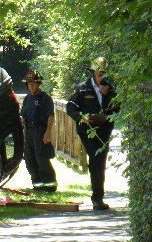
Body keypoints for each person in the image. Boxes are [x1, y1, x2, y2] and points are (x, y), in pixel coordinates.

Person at [66, 57, 120, 210]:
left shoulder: (110, 89)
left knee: (100, 161)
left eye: (104, 74)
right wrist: (83, 118)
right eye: (99, 74)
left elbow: (117, 108)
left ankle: (98, 198)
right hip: (87, 130)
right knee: (96, 157)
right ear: (93, 73)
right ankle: (97, 198)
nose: (102, 77)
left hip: (104, 130)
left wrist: (108, 94)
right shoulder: (82, 88)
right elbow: (70, 108)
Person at [20, 69, 57, 192]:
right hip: (29, 132)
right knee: (29, 159)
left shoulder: (45, 98)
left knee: (42, 159)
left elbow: (50, 116)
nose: (31, 86)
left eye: (34, 84)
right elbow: (23, 116)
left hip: (40, 131)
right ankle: (37, 184)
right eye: (29, 84)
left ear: (38, 84)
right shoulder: (27, 99)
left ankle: (50, 185)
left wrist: (48, 133)